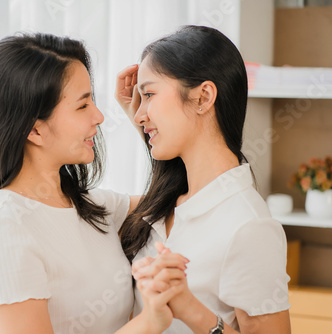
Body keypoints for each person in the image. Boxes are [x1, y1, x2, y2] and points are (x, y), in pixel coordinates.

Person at [0, 33, 188, 334]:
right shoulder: (5, 229)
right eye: (83, 106)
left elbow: (178, 193)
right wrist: (149, 322)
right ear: (34, 130)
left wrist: (144, 121)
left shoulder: (92, 208)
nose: (98, 116)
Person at [115, 25, 291, 333]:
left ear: (203, 97)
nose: (139, 113)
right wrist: (145, 121)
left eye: (149, 94)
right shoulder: (166, 203)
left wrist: (194, 312)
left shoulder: (249, 227)